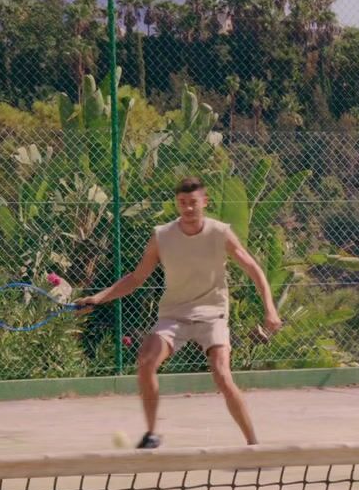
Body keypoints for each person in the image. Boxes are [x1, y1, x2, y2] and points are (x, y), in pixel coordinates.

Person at [77, 176, 282, 448]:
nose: (188, 208)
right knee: (146, 361)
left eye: (193, 202)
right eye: (182, 202)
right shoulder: (162, 236)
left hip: (213, 314)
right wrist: (98, 298)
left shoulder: (220, 233)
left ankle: (253, 444)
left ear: (205, 202)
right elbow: (136, 278)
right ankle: (152, 434)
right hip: (173, 315)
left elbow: (253, 269)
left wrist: (270, 308)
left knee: (222, 374)